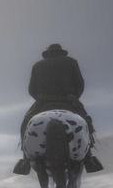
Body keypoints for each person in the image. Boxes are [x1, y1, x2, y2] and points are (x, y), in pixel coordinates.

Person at [13, 43, 103, 175]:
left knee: (26, 123)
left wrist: (43, 98)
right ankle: (89, 158)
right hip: (67, 100)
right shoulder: (71, 62)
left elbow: (32, 89)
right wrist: (73, 97)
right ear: (61, 52)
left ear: (48, 53)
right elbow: (80, 84)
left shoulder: (37, 65)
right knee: (86, 122)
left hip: (43, 102)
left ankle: (25, 160)